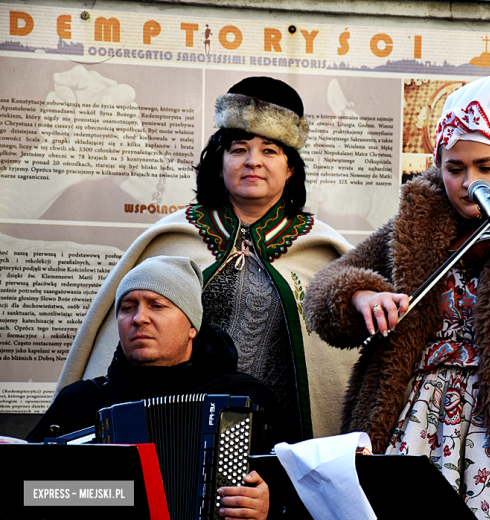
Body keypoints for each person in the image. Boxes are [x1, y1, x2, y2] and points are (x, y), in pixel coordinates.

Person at [304, 74, 490, 519]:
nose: (470, 182)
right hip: (409, 418)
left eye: (486, 167)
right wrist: (360, 296)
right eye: (455, 168)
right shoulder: (414, 225)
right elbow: (325, 288)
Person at [55, 77, 356, 441]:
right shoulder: (173, 237)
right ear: (219, 162)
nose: (252, 162)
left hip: (279, 432)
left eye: (270, 151)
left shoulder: (321, 251)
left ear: (290, 167)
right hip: (177, 422)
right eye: (238, 149)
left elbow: (337, 364)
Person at [28, 256, 286, 520]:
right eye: (128, 307)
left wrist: (270, 506)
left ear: (191, 326)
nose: (139, 318)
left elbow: (302, 496)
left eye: (157, 305)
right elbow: (25, 492)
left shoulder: (245, 399)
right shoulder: (81, 402)